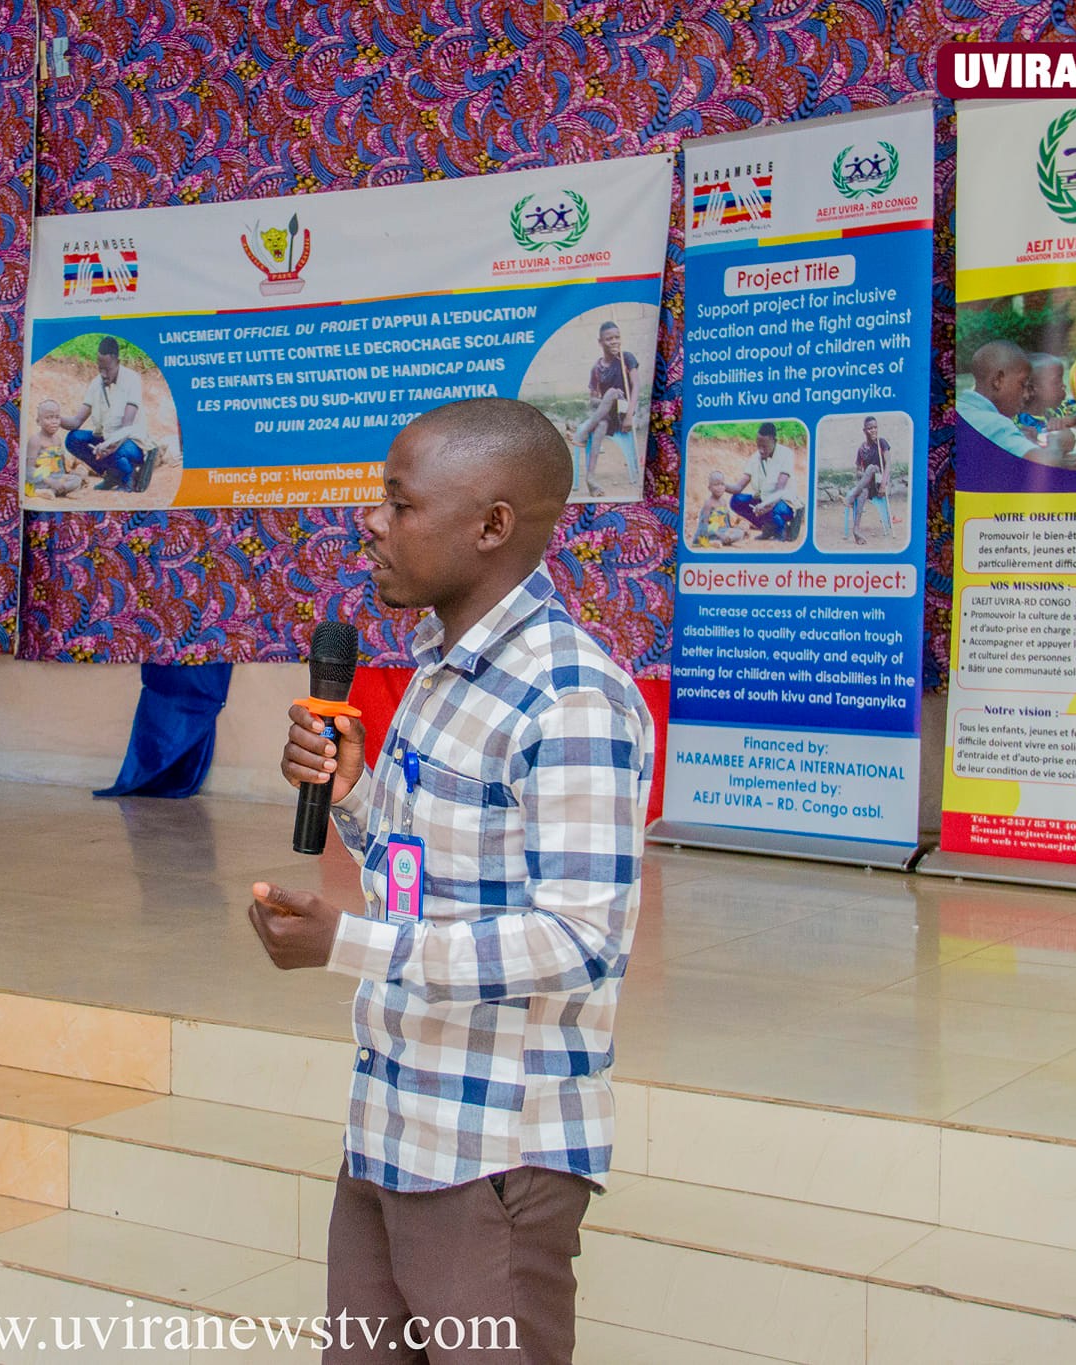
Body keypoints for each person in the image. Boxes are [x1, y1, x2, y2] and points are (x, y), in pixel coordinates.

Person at [253, 397, 653, 1365]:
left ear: (491, 525)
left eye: (399, 503)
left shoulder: (569, 698)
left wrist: (344, 943)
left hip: (490, 1159)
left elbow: (578, 938)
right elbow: (428, 877)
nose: (371, 522)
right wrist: (354, 796)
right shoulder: (440, 671)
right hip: (392, 1126)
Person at [62, 336, 158, 492]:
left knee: (119, 451)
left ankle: (128, 478)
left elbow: (126, 427)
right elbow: (77, 421)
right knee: (73, 439)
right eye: (100, 368)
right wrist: (56, 419)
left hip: (131, 443)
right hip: (107, 441)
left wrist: (108, 446)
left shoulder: (132, 380)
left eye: (107, 369)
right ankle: (111, 475)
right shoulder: (96, 383)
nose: (103, 374)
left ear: (117, 362)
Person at [957, 341, 1075, 465]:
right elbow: (1043, 466)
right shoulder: (994, 423)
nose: (1026, 395)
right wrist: (1058, 444)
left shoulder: (961, 408)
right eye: (1023, 384)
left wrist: (1020, 442)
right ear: (998, 380)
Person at [569, 320, 640, 497]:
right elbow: (592, 400)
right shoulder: (597, 369)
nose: (614, 341)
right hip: (606, 416)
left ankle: (583, 432)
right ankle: (591, 478)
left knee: (613, 392)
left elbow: (636, 387)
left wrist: (629, 415)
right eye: (609, 339)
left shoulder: (626, 358)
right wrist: (604, 401)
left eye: (617, 337)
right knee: (600, 424)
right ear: (600, 342)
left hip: (624, 413)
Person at [726, 421, 802, 541]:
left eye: (764, 446)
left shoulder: (786, 454)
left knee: (775, 509)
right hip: (764, 501)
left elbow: (779, 490)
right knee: (736, 500)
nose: (761, 450)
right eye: (758, 446)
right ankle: (767, 527)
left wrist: (764, 505)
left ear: (774, 440)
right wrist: (722, 486)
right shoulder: (755, 458)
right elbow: (738, 487)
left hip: (784, 503)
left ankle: (782, 531)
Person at [23, 399, 86, 499]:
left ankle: (52, 491)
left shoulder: (57, 440)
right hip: (40, 480)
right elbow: (29, 470)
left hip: (56, 477)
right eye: (48, 418)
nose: (54, 422)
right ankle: (53, 491)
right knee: (67, 483)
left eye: (57, 417)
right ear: (38, 421)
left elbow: (60, 466)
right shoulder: (35, 440)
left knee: (76, 479)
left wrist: (70, 473)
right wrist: (49, 481)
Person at [848, 415, 892, 545]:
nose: (873, 430)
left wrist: (883, 484)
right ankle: (856, 530)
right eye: (869, 428)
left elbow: (888, 464)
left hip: (880, 483)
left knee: (872, 467)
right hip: (867, 485)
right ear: (864, 430)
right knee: (862, 492)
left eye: (875, 427)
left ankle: (851, 497)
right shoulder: (861, 449)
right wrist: (865, 475)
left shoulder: (881, 443)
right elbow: (857, 471)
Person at [692, 471, 747, 547]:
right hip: (709, 531)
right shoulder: (708, 504)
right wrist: (719, 534)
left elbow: (726, 521)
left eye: (722, 484)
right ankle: (711, 542)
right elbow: (704, 525)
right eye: (716, 485)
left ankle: (724, 540)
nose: (719, 487)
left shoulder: (723, 502)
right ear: (709, 488)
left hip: (722, 530)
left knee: (740, 532)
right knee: (705, 536)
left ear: (725, 486)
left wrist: (732, 529)